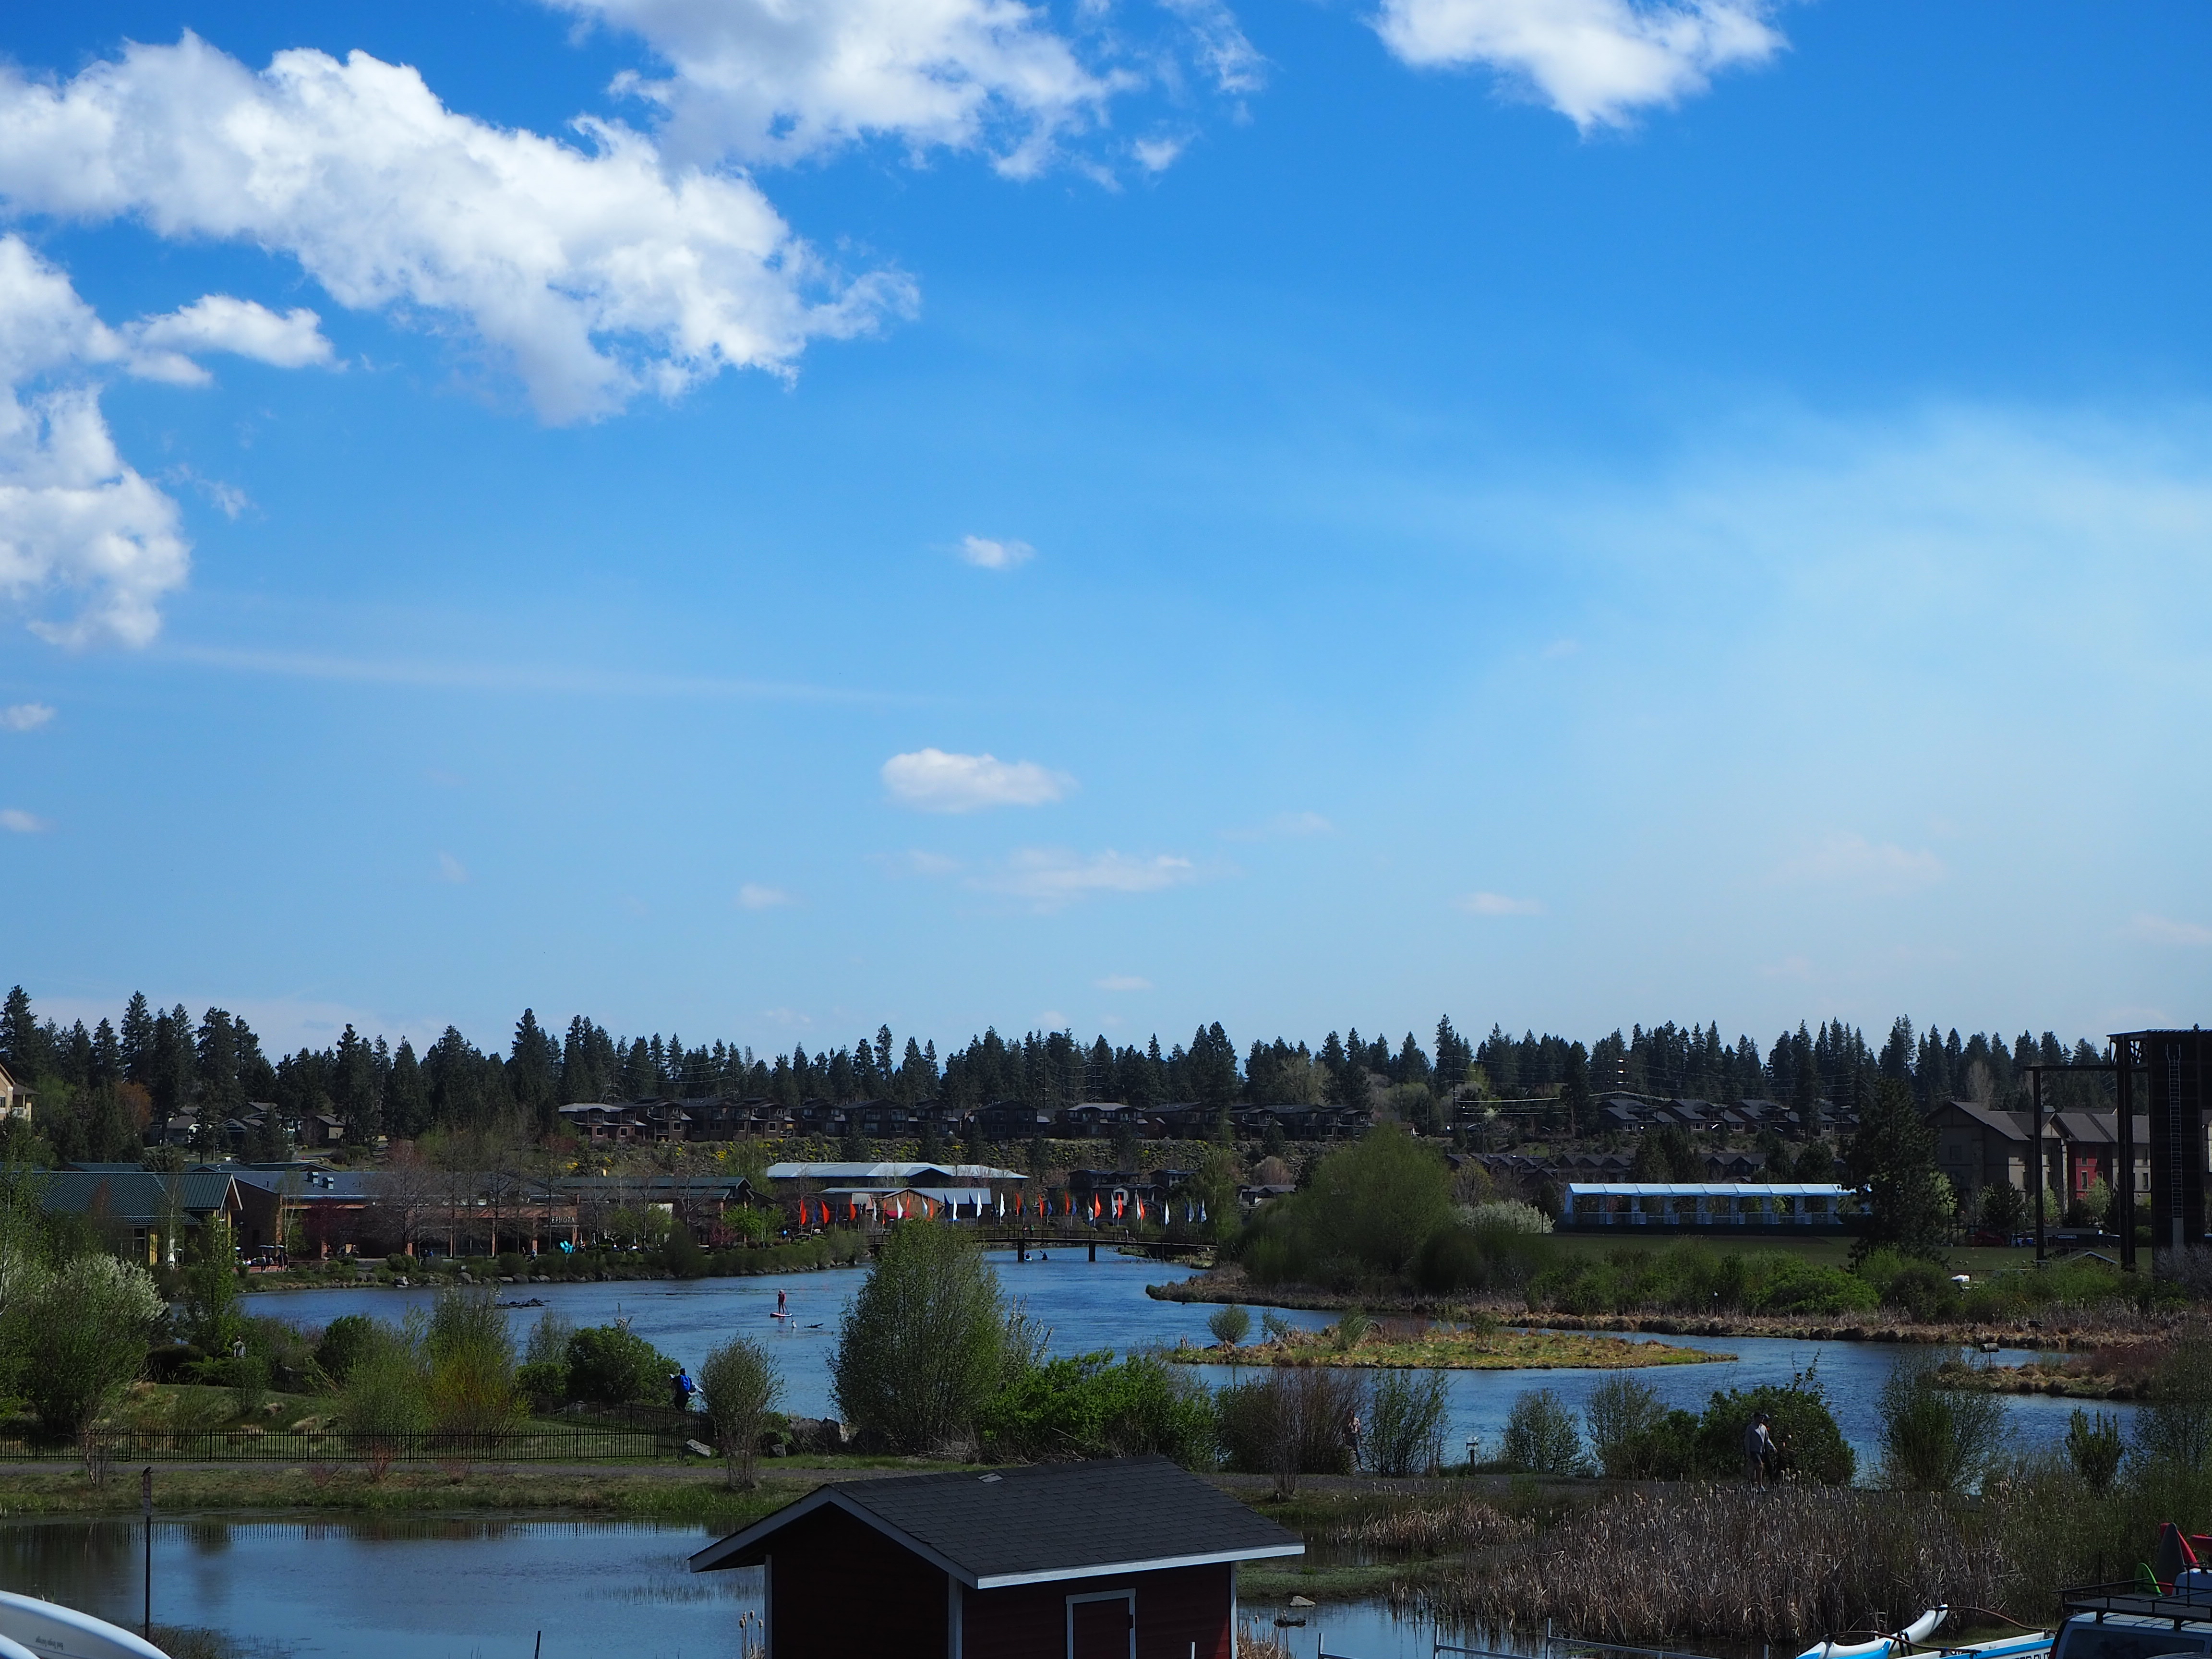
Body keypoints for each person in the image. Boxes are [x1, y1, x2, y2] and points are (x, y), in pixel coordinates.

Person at [1743, 1411, 1777, 1484]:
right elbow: (1747, 1440)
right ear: (1756, 1418)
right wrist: (1747, 1451)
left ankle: (1754, 1482)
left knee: (1758, 1468)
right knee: (1760, 1466)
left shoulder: (1763, 1428)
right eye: (1760, 1417)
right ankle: (1760, 1485)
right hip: (1753, 1450)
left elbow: (1767, 1439)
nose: (1762, 1419)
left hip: (1761, 1451)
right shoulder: (1751, 1428)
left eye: (1762, 1417)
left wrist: (1773, 1447)